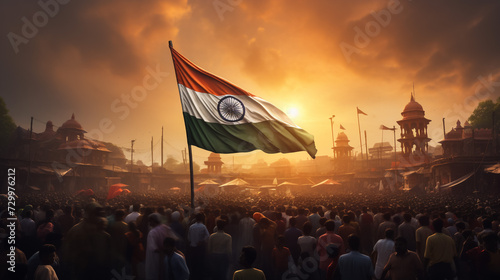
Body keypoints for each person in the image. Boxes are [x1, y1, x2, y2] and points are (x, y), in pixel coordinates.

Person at [146, 213, 178, 280]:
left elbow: (153, 248)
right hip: (168, 255)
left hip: (156, 258)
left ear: (154, 221)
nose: (149, 223)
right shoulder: (166, 228)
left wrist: (163, 251)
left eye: (150, 221)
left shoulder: (152, 232)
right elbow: (174, 239)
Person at [187, 212, 209, 280]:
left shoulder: (191, 226)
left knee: (193, 264)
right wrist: (202, 241)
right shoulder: (203, 226)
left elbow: (189, 238)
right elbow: (208, 236)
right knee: (200, 263)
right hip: (200, 248)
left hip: (192, 248)